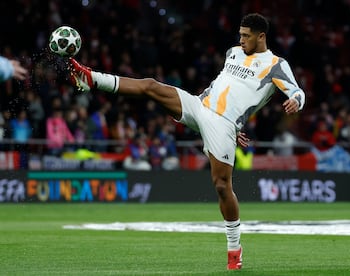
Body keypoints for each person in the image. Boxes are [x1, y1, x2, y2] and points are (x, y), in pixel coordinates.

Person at [68, 13, 305, 270]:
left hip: (223, 124)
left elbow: (297, 91)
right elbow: (222, 86)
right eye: (240, 34)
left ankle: (234, 249)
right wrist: (198, 107)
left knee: (222, 185)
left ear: (261, 36)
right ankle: (92, 78)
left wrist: (296, 101)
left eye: (246, 36)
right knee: (151, 86)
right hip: (200, 105)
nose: (241, 39)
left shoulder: (275, 64)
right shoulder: (233, 52)